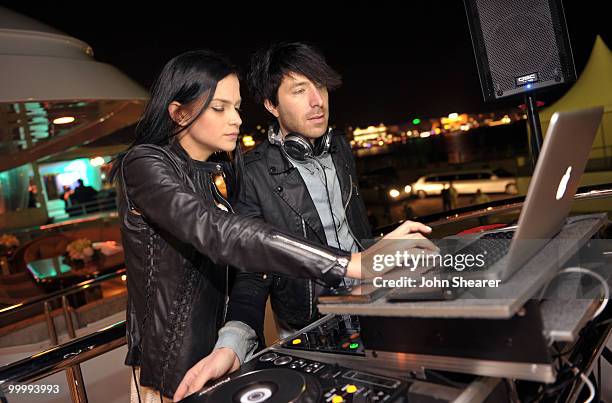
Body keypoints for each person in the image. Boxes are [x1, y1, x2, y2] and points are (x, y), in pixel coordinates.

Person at [111, 50, 435, 402]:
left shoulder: (215, 175)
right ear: (179, 112)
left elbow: (245, 263)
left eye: (235, 107)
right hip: (174, 372)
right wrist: (351, 263)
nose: (235, 119)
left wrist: (233, 343)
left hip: (224, 359)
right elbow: (218, 231)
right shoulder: (143, 163)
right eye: (219, 108)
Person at [228, 42, 373, 338]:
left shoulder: (340, 148)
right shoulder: (253, 172)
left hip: (371, 306)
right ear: (271, 105)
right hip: (312, 326)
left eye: (320, 86)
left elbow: (357, 228)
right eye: (299, 90)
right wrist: (234, 339)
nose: (317, 100)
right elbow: (251, 269)